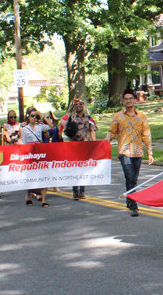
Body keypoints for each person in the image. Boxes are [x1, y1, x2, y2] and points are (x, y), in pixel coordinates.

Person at [104, 89, 153, 217]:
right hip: (124, 152)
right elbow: (112, 131)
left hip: (137, 152)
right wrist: (106, 140)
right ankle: (133, 205)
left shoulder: (141, 116)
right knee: (130, 177)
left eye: (131, 98)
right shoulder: (117, 116)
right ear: (122, 101)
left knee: (133, 179)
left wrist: (150, 151)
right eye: (126, 99)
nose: (128, 101)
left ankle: (128, 198)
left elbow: (146, 134)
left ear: (135, 100)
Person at [60, 97, 97, 200]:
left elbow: (92, 131)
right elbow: (66, 132)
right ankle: (75, 191)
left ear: (83, 105)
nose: (79, 105)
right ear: (74, 107)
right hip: (74, 147)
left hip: (85, 147)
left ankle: (82, 191)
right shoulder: (71, 118)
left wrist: (94, 145)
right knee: (74, 169)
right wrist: (72, 136)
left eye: (80, 103)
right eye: (76, 104)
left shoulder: (89, 118)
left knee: (83, 170)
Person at [21, 110, 50, 207]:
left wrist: (42, 116)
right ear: (28, 117)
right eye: (32, 116)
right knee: (31, 177)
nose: (34, 118)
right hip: (30, 154)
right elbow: (24, 144)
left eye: (36, 116)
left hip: (39, 153)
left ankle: (43, 200)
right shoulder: (25, 129)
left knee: (42, 175)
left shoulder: (39, 127)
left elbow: (51, 126)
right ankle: (28, 195)